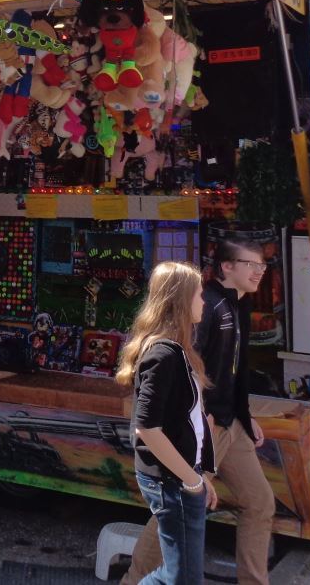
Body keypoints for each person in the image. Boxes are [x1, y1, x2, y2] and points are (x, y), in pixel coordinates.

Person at [124, 241, 274, 585]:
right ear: (226, 267)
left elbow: (233, 370)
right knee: (177, 507)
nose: (259, 272)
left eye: (262, 266)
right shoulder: (208, 308)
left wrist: (244, 414)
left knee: (259, 502)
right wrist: (200, 426)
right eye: (250, 264)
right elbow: (186, 374)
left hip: (230, 423)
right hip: (208, 426)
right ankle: (135, 579)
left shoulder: (236, 305)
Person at [116, 261, 216, 585]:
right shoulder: (163, 354)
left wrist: (199, 473)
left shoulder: (176, 351)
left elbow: (188, 420)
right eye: (199, 294)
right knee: (182, 578)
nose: (204, 302)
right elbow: (146, 428)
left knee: (181, 577)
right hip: (171, 481)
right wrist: (192, 479)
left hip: (180, 476)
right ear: (181, 301)